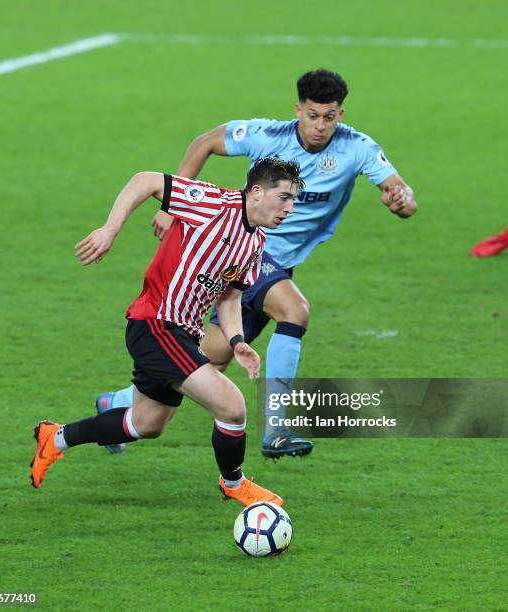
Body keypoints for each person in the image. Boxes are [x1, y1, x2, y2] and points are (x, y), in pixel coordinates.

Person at [98, 68, 418, 459]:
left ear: (341, 114)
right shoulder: (267, 136)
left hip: (265, 267)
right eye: (312, 115)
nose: (320, 126)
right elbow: (204, 143)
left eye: (329, 117)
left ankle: (115, 403)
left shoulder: (358, 148)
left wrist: (403, 202)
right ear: (298, 109)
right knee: (295, 310)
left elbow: (399, 190)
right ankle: (278, 429)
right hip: (245, 248)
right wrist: (172, 206)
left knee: (208, 360)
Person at [30, 156, 305, 508]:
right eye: (283, 197)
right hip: (156, 324)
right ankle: (234, 483)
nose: (290, 208)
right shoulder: (212, 204)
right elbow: (145, 180)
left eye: (293, 199)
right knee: (233, 406)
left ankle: (56, 438)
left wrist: (237, 341)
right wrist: (110, 229)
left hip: (183, 334)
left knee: (146, 423)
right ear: (255, 192)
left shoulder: (254, 242)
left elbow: (230, 297)